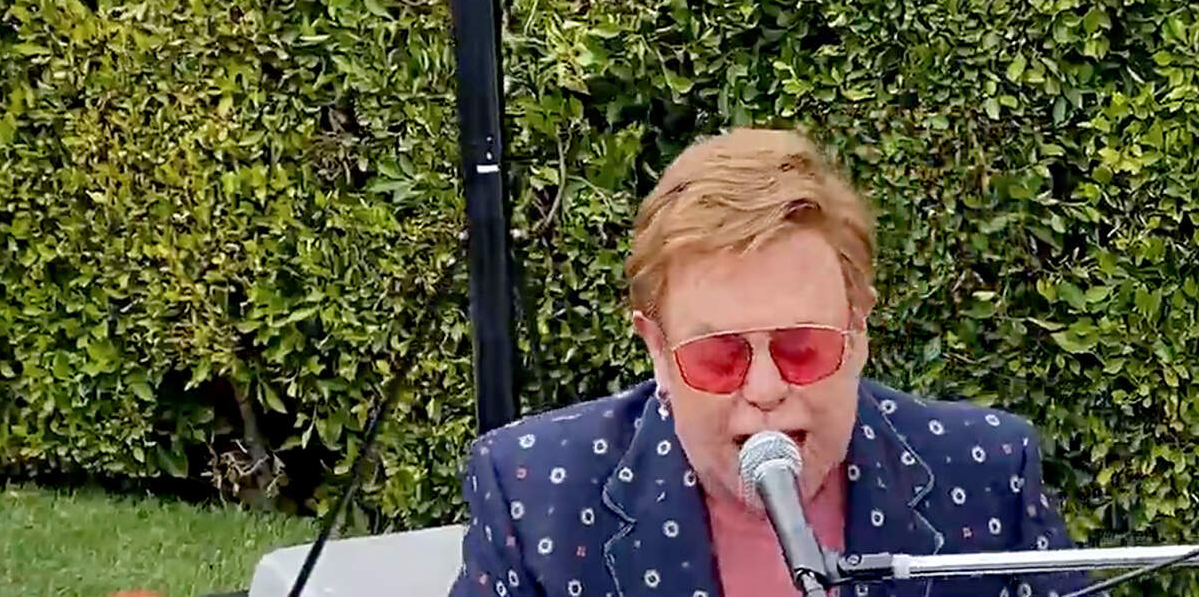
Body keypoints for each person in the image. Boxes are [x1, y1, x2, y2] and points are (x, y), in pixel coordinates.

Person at [450, 128, 1085, 597]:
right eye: (718, 356)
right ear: (658, 352)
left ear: (857, 331)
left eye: (801, 347)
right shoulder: (536, 494)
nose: (764, 388)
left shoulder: (986, 473)